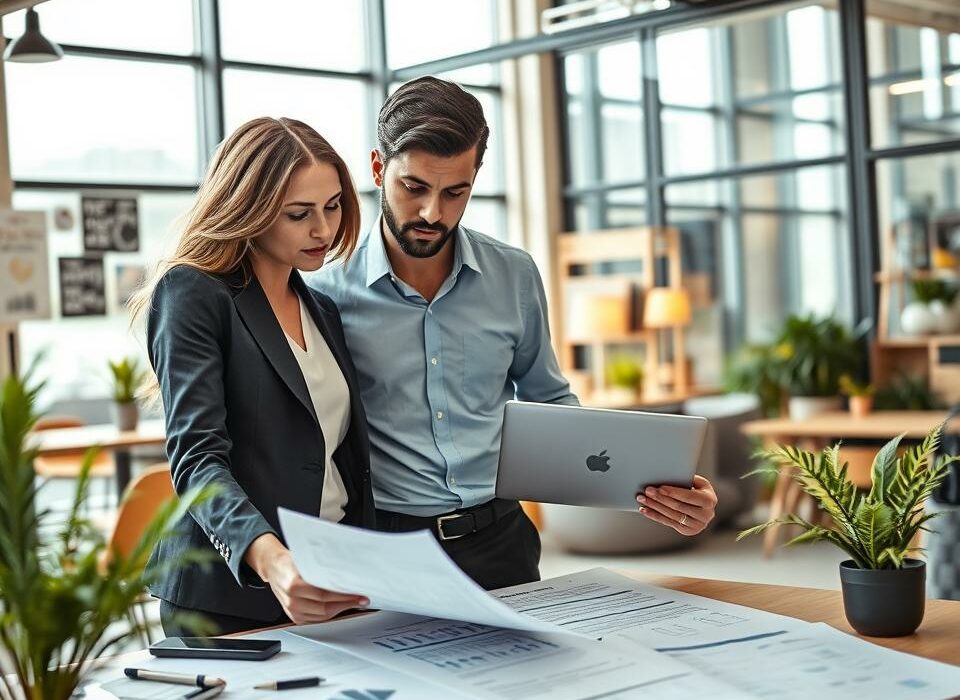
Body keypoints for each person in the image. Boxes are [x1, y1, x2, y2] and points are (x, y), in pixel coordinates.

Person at [311, 77, 718, 591]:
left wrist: (655, 488)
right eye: (413, 188)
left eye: (455, 192)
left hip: (501, 542)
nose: (433, 213)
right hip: (385, 547)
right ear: (377, 169)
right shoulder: (323, 291)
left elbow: (549, 398)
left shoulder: (514, 275)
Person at [130, 117, 373, 635]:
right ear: (250, 210)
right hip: (231, 598)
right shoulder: (193, 294)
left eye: (333, 207)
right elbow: (197, 462)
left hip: (333, 582)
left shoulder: (323, 309)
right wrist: (275, 563)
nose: (324, 231)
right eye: (298, 214)